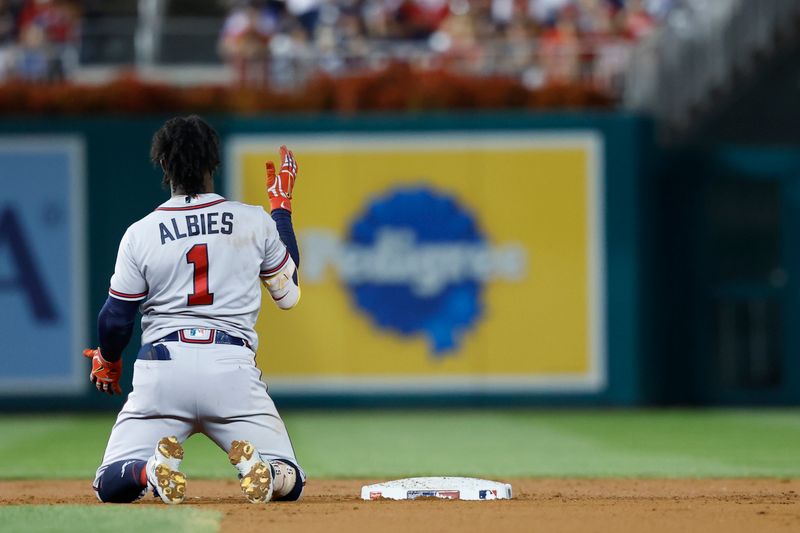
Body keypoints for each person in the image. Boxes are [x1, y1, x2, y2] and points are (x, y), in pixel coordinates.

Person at [85, 115, 304, 505]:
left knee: (109, 483)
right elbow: (288, 295)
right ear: (213, 165)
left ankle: (148, 470)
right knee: (290, 478)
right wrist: (281, 209)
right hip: (231, 371)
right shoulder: (254, 220)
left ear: (164, 164)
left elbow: (116, 318)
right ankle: (267, 470)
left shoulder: (141, 232)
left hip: (163, 371)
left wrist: (108, 358)